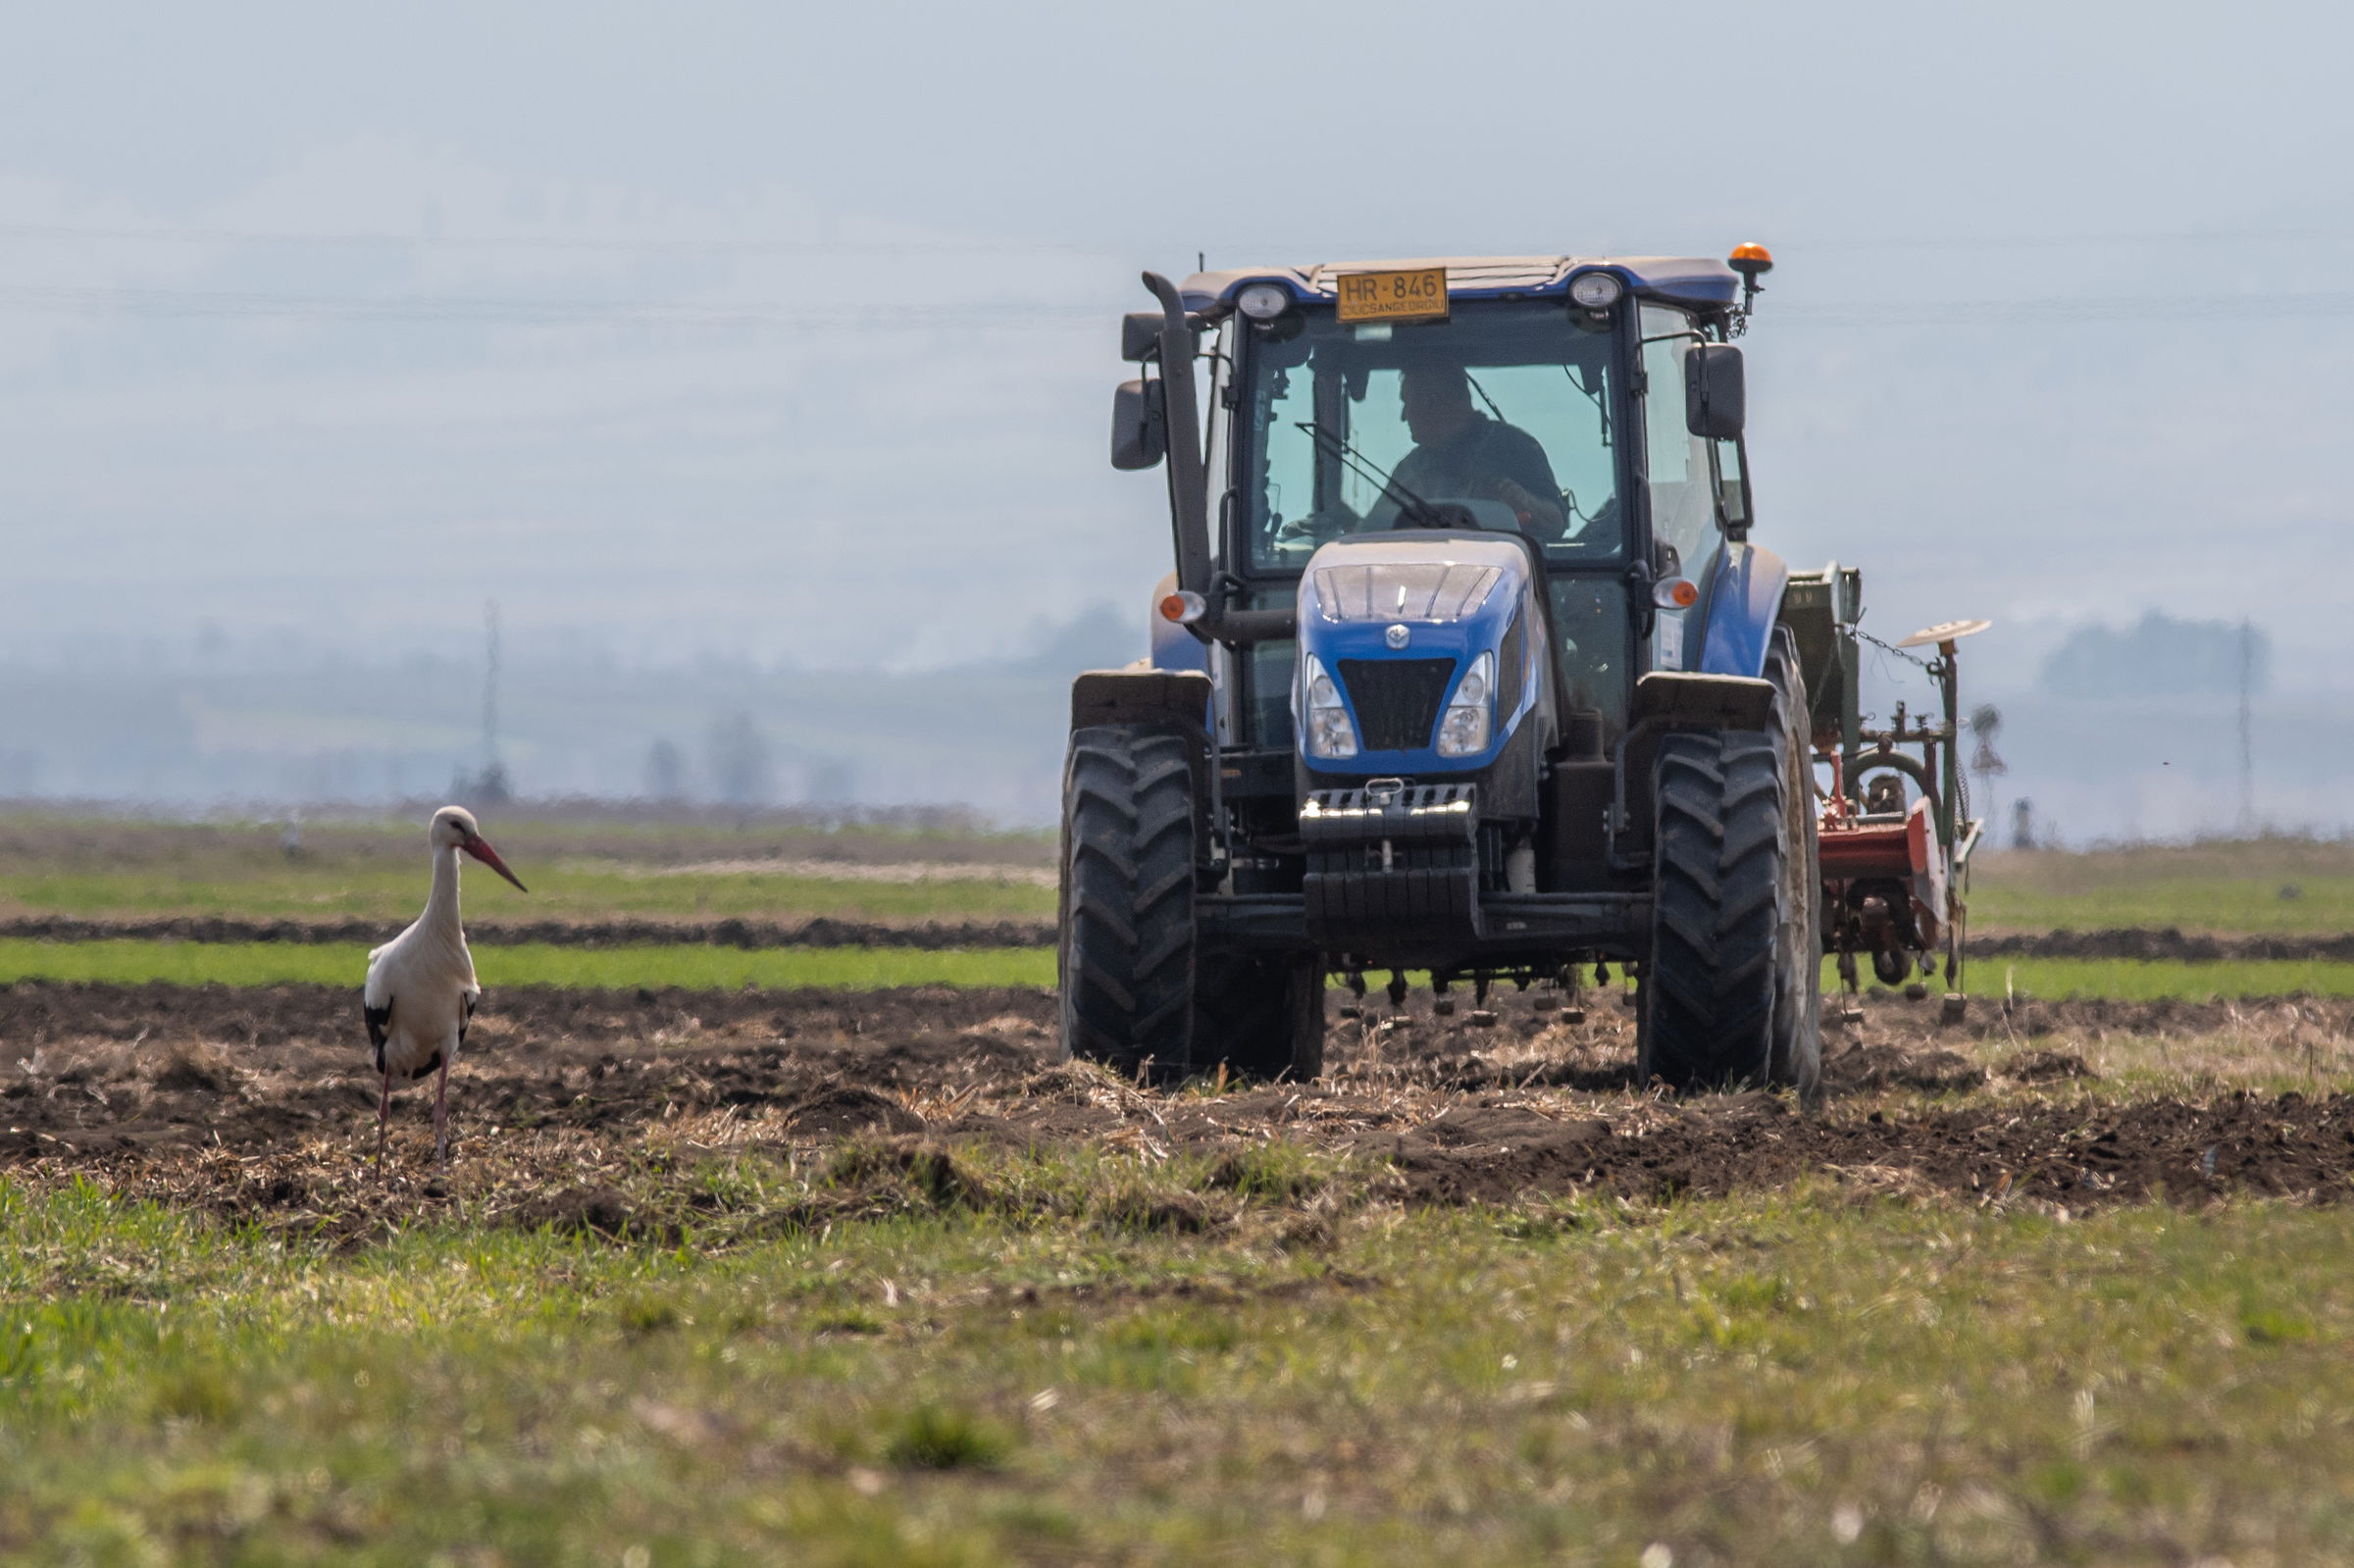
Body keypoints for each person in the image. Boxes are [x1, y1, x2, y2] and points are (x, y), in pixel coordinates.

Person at [1380, 358, 1566, 536]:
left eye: (1408, 403)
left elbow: (1556, 523)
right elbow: (1374, 529)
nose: (1403, 416)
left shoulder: (1515, 448)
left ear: (1431, 402)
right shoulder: (1411, 467)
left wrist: (1523, 500)